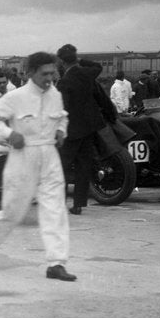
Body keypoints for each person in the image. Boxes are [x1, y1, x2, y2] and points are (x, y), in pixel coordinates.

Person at [0, 51, 76, 282]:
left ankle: (56, 263)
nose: (50, 78)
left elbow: (62, 117)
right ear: (30, 73)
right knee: (14, 211)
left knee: (55, 209)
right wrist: (9, 134)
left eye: (53, 73)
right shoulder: (16, 97)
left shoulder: (55, 94)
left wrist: (62, 130)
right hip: (23, 157)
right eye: (45, 74)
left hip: (49, 156)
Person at [57, 44, 116, 215]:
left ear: (62, 61)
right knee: (84, 166)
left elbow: (63, 107)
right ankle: (78, 205)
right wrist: (80, 60)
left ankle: (59, 204)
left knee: (62, 166)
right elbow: (98, 66)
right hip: (89, 128)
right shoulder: (87, 74)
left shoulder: (64, 82)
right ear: (75, 58)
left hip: (72, 130)